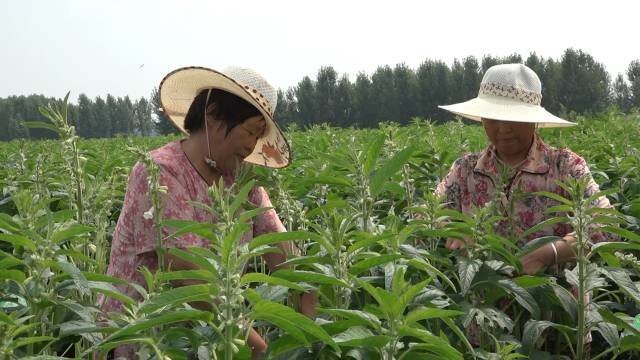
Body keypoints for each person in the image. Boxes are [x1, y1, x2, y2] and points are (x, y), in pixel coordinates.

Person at [100, 66, 316, 359]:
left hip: (211, 341)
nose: (252, 145)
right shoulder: (159, 173)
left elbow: (285, 255)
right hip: (149, 341)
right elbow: (188, 275)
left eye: (258, 135)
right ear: (213, 115)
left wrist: (309, 329)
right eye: (250, 131)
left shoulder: (242, 184)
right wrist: (258, 348)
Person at [435, 63, 615, 274]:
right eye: (492, 118)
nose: (503, 128)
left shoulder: (566, 166)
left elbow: (606, 225)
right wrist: (455, 231)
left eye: (514, 118)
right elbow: (426, 216)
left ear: (534, 120)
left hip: (554, 299)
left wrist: (547, 255)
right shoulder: (466, 169)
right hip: (481, 299)